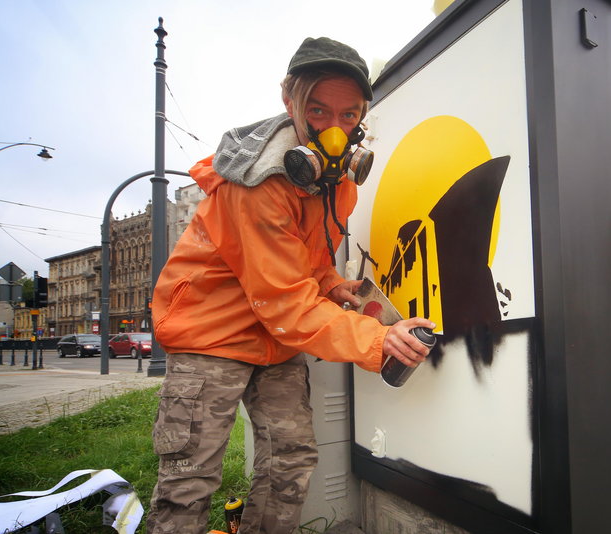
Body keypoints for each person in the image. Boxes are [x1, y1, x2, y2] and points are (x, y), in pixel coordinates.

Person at [145, 37, 435, 534]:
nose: (336, 130)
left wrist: (330, 283)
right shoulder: (255, 183)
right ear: (289, 99)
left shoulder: (336, 179)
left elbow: (299, 259)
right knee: (190, 479)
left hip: (275, 339)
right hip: (210, 337)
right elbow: (281, 299)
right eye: (319, 110)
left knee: (291, 462)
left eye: (349, 115)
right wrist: (377, 338)